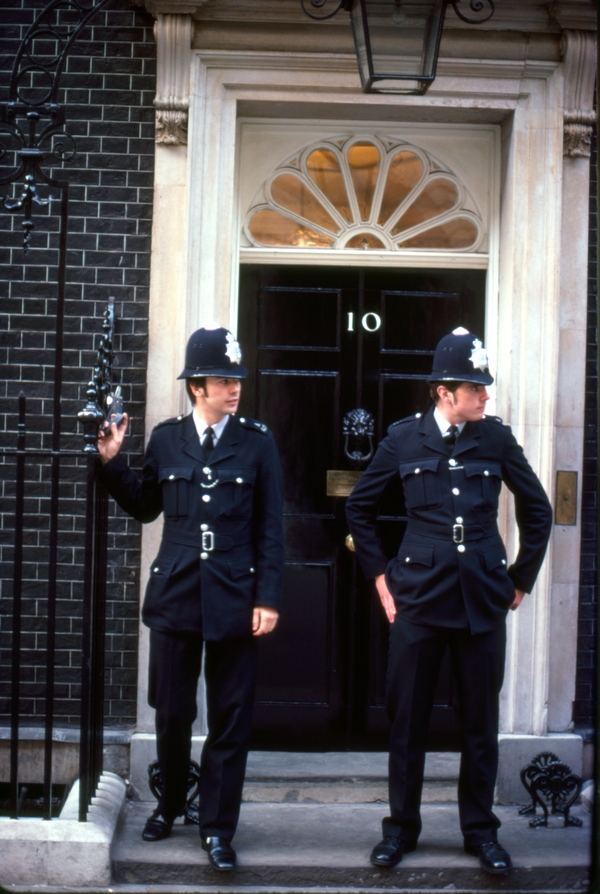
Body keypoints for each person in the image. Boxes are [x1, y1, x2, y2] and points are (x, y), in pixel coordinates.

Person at [345, 327, 552, 876]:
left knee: (479, 723)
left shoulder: (497, 439)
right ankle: (400, 831)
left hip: (483, 598)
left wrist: (520, 579)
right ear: (444, 393)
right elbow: (359, 510)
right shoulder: (403, 440)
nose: (486, 396)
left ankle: (481, 832)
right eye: (475, 388)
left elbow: (539, 510)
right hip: (417, 598)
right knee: (407, 721)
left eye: (485, 388)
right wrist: (381, 579)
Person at [96, 325, 284, 871]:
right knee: (172, 712)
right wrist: (112, 462)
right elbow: (145, 506)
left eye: (237, 380)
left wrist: (267, 597)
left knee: (230, 717)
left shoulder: (257, 441)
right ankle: (172, 802)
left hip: (235, 592)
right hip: (177, 591)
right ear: (197, 387)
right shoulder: (165, 438)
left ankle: (218, 827)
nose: (235, 389)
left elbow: (272, 525)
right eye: (224, 380)